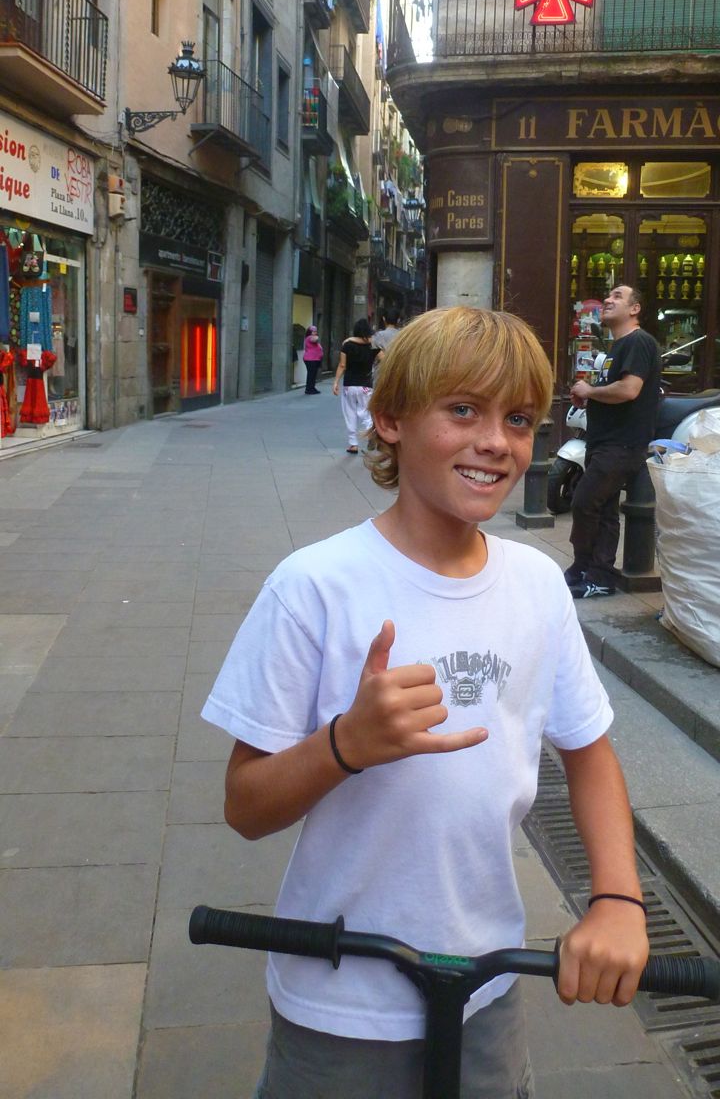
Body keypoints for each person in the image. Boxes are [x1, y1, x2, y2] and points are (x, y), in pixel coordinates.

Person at [201, 306, 649, 1099]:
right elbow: (245, 805)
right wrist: (344, 744)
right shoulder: (314, 587)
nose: (496, 442)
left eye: (518, 419)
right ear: (390, 419)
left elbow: (588, 752)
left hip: (488, 984)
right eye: (463, 410)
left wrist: (617, 899)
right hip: (339, 994)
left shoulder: (536, 584)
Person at [565, 285, 661, 601]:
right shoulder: (616, 347)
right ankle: (596, 575)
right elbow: (615, 390)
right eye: (608, 295)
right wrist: (590, 397)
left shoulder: (638, 342)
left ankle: (587, 568)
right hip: (603, 440)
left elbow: (629, 390)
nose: (608, 299)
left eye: (618, 296)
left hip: (622, 444)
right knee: (603, 510)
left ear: (634, 309)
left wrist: (590, 391)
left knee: (584, 502)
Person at [332, 317, 381, 453]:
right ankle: (371, 433)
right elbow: (386, 359)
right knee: (366, 413)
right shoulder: (373, 346)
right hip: (366, 386)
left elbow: (342, 365)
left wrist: (336, 382)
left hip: (349, 385)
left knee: (350, 414)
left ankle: (353, 444)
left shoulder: (347, 345)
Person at [303, 325, 323, 395]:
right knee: (311, 375)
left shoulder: (311, 337)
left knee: (313, 375)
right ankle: (309, 389)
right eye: (313, 331)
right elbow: (315, 339)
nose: (315, 333)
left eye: (316, 331)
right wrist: (316, 336)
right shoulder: (309, 337)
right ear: (310, 332)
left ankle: (312, 388)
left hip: (314, 359)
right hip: (310, 359)